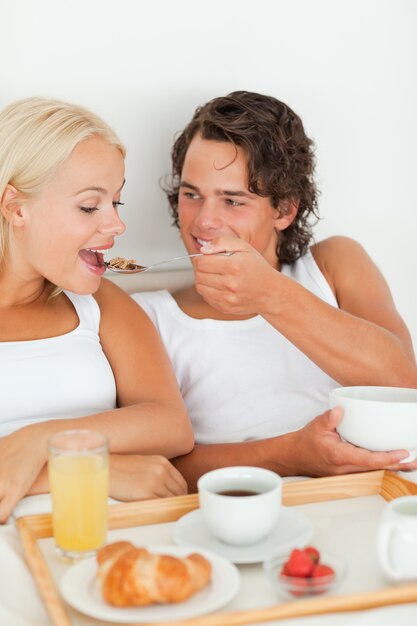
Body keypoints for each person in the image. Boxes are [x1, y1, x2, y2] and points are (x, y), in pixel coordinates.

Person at [132, 90, 417, 491]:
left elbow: (404, 385)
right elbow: (163, 468)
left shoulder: (333, 265)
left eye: (232, 200)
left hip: (378, 494)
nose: (204, 222)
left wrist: (271, 294)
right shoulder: (148, 316)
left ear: (284, 210)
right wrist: (292, 454)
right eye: (191, 194)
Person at [0, 96, 194, 522]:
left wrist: (41, 440)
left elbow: (171, 426)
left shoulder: (101, 302)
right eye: (90, 206)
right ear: (16, 208)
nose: (117, 225)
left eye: (116, 203)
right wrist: (91, 469)